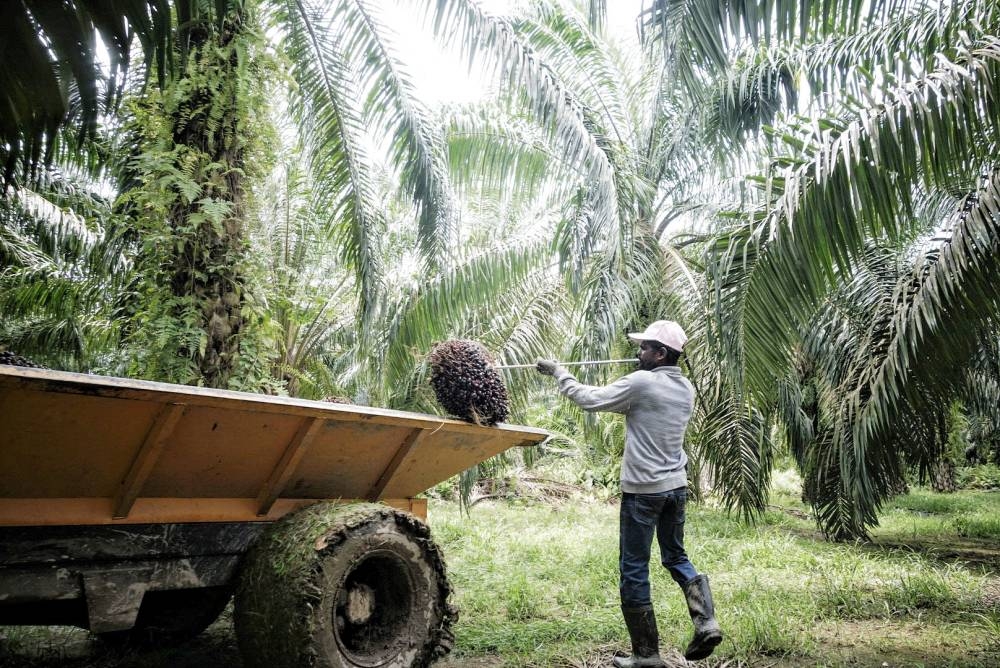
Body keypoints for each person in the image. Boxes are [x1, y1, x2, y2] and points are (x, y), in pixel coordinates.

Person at [536, 320, 722, 666]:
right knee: (677, 558)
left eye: (644, 348)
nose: (639, 353)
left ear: (660, 353)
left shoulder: (641, 383)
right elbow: (631, 405)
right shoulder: (685, 389)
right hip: (676, 489)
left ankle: (646, 657)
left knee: (634, 568)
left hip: (643, 493)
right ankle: (706, 621)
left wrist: (559, 372)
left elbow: (588, 399)